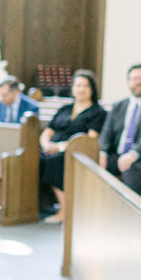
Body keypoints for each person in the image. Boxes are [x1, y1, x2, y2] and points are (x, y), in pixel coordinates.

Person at [38, 70, 107, 223]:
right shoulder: (65, 109)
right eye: (78, 85)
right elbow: (48, 131)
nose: (81, 89)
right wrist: (46, 144)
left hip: (77, 152)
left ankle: (65, 211)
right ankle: (38, 207)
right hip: (52, 148)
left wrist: (60, 147)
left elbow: (89, 139)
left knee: (53, 162)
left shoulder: (98, 112)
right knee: (35, 159)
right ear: (73, 88)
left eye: (85, 86)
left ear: (92, 89)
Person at [97, 63, 141, 193]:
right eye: (135, 79)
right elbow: (106, 133)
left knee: (129, 167)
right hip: (119, 155)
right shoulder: (118, 106)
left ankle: (129, 213)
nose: (139, 82)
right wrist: (102, 153)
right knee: (91, 162)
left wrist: (133, 154)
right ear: (128, 81)